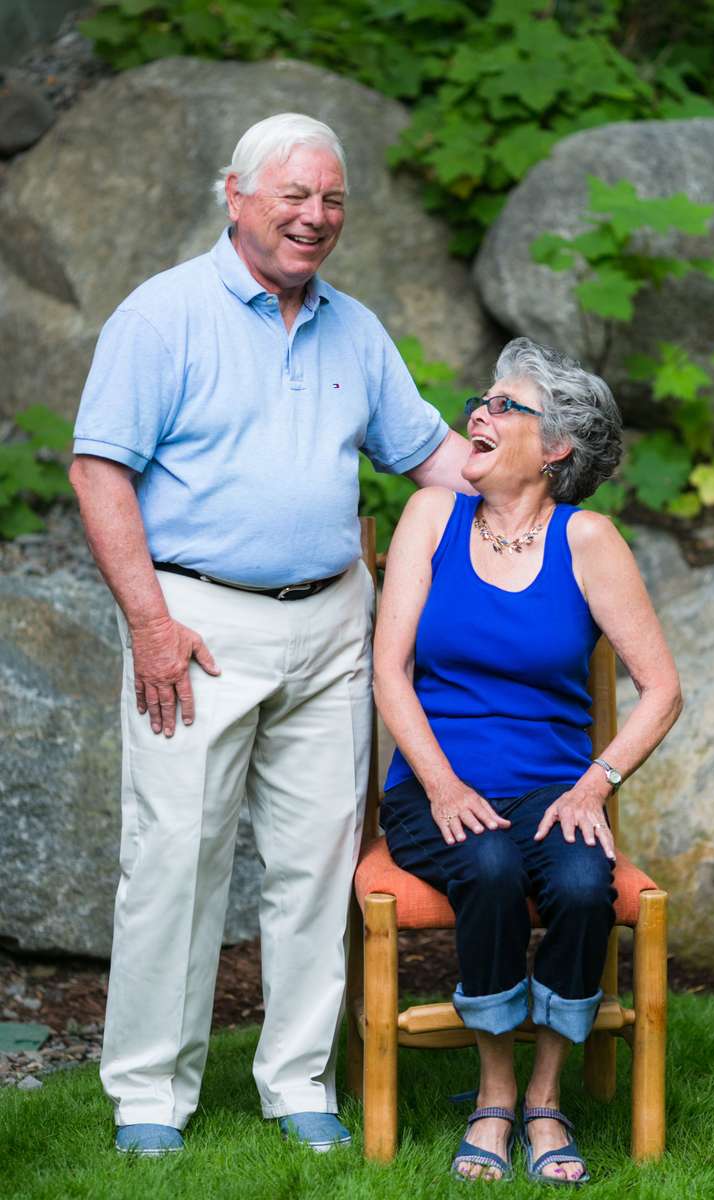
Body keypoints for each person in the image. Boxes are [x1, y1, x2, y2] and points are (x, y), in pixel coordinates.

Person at [69, 112, 473, 1157]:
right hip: (195, 624)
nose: (315, 217)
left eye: (331, 199)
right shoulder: (162, 317)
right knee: (174, 862)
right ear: (235, 194)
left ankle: (298, 1082)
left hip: (334, 621)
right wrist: (149, 624)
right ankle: (149, 1097)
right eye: (294, 195)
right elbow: (98, 469)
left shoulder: (353, 327)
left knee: (316, 865)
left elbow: (426, 455)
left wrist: (539, 497)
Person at [373, 338, 682, 1184]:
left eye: (505, 405)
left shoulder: (589, 542)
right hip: (433, 788)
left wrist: (597, 783)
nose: (479, 410)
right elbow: (388, 671)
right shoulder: (431, 517)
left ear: (556, 447)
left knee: (585, 886)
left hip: (555, 791)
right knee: (494, 863)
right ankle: (494, 1095)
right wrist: (438, 783)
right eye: (484, 398)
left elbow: (661, 688)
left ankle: (546, 1098)